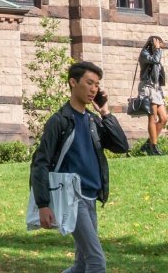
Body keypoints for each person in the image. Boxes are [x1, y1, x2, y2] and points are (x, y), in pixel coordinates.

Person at [30, 61, 130, 273]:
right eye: (89, 83)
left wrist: (105, 112)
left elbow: (121, 146)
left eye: (97, 84)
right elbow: (40, 163)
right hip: (71, 198)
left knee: (82, 263)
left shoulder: (93, 121)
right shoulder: (60, 121)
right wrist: (43, 204)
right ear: (73, 83)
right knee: (96, 261)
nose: (94, 89)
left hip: (91, 196)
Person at [138, 36, 168, 156]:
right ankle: (153, 148)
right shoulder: (145, 53)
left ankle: (148, 144)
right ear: (154, 43)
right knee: (153, 118)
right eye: (160, 42)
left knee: (164, 118)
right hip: (148, 87)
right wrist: (157, 49)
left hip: (156, 88)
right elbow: (154, 61)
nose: (162, 44)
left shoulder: (156, 53)